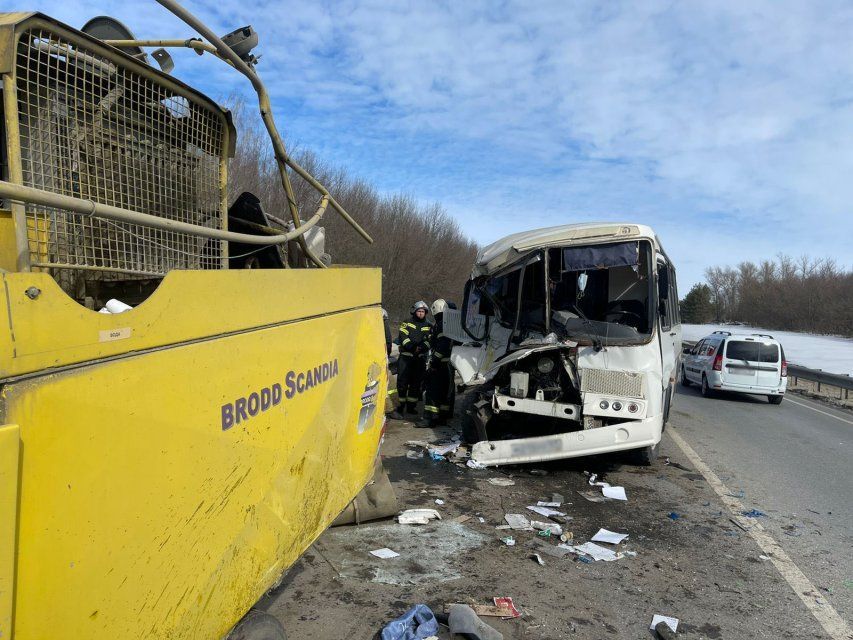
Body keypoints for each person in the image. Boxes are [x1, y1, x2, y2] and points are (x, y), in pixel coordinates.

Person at [421, 299, 454, 427]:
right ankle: (442, 417)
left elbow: (443, 345)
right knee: (445, 392)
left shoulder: (441, 325)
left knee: (432, 390)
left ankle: (429, 418)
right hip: (449, 364)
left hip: (441, 364)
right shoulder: (450, 324)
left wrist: (434, 361)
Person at [395, 300, 431, 414]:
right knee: (402, 382)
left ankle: (411, 407)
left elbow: (430, 340)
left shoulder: (429, 325)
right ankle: (401, 406)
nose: (421, 313)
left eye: (423, 311)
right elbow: (403, 336)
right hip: (406, 357)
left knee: (416, 383)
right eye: (419, 311)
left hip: (419, 358)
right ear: (414, 311)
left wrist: (420, 348)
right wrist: (411, 347)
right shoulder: (406, 322)